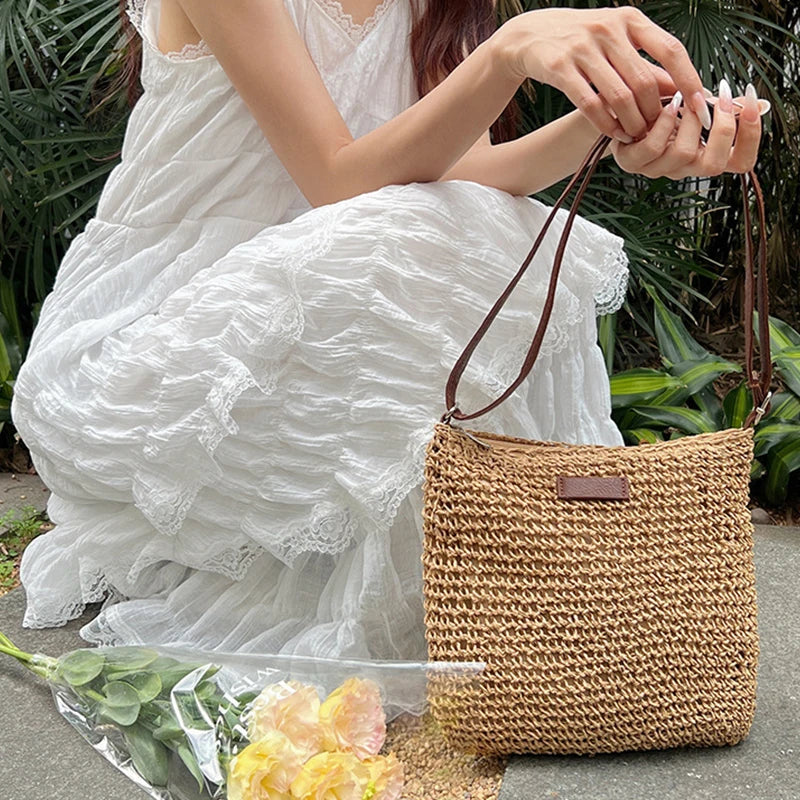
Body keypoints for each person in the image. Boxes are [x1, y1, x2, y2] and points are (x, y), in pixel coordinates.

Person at [11, 0, 761, 670]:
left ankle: (531, 566)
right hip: (151, 348)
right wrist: (508, 49)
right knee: (406, 234)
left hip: (316, 325)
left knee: (494, 229)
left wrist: (617, 121)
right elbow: (340, 182)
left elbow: (450, 177)